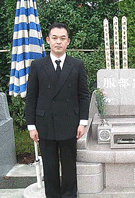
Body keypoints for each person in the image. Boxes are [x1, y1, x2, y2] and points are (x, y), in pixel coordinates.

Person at [25, 23, 90, 198]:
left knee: (69, 166)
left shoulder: (77, 65)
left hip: (70, 124)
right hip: (45, 124)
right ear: (48, 40)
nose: (58, 42)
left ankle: (69, 195)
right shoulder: (38, 65)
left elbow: (84, 95)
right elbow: (31, 97)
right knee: (50, 167)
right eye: (54, 38)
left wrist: (83, 122)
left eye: (62, 38)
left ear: (68, 41)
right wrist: (31, 125)